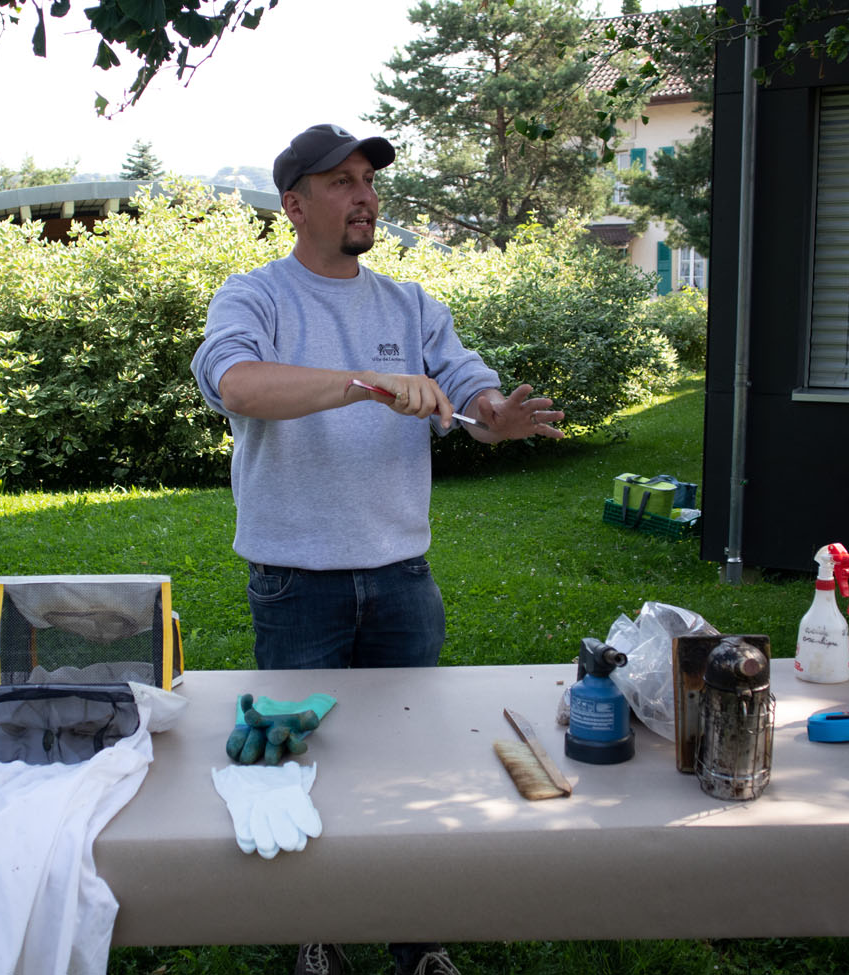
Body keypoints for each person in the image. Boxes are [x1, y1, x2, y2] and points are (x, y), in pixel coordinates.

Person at [190, 123, 565, 975]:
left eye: (368, 179)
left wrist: (496, 416)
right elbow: (236, 383)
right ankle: (316, 928)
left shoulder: (410, 304)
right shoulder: (256, 297)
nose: (365, 196)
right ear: (295, 205)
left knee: (412, 764)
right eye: (341, 182)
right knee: (301, 760)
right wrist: (363, 383)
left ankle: (416, 935)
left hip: (402, 579)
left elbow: (469, 392)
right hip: (297, 584)